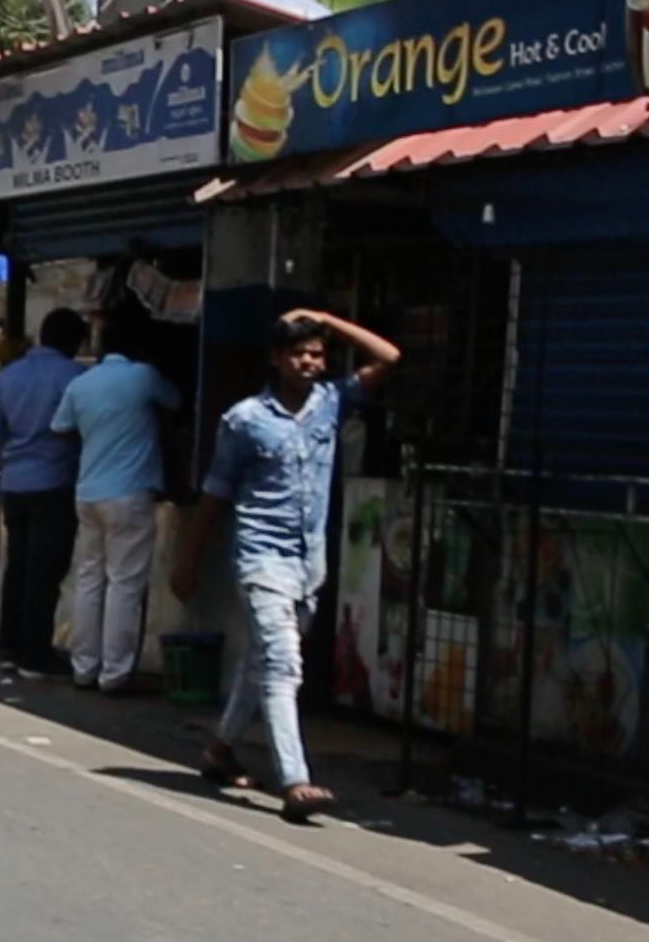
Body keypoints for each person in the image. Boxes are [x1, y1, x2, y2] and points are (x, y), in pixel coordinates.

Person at [172, 309, 403, 818]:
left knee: (262, 661)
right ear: (276, 359)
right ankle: (295, 780)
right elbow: (214, 494)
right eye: (298, 353)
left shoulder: (332, 402)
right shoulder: (246, 420)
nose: (309, 362)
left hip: (309, 564)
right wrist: (187, 561)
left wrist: (326, 319)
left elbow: (389, 357)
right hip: (261, 557)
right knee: (283, 664)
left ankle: (219, 747)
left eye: (317, 354)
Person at [50, 304, 180, 693]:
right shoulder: (142, 377)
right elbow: (174, 401)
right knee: (124, 584)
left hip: (87, 492)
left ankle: (84, 667)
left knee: (90, 579)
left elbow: (60, 427)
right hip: (129, 493)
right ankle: (115, 674)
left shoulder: (82, 384)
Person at [0, 307, 88, 677]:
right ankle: (35, 654)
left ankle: (10, 647)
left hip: (15, 483)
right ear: (74, 342)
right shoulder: (74, 376)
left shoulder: (8, 377)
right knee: (45, 569)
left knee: (19, 566)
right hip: (56, 481)